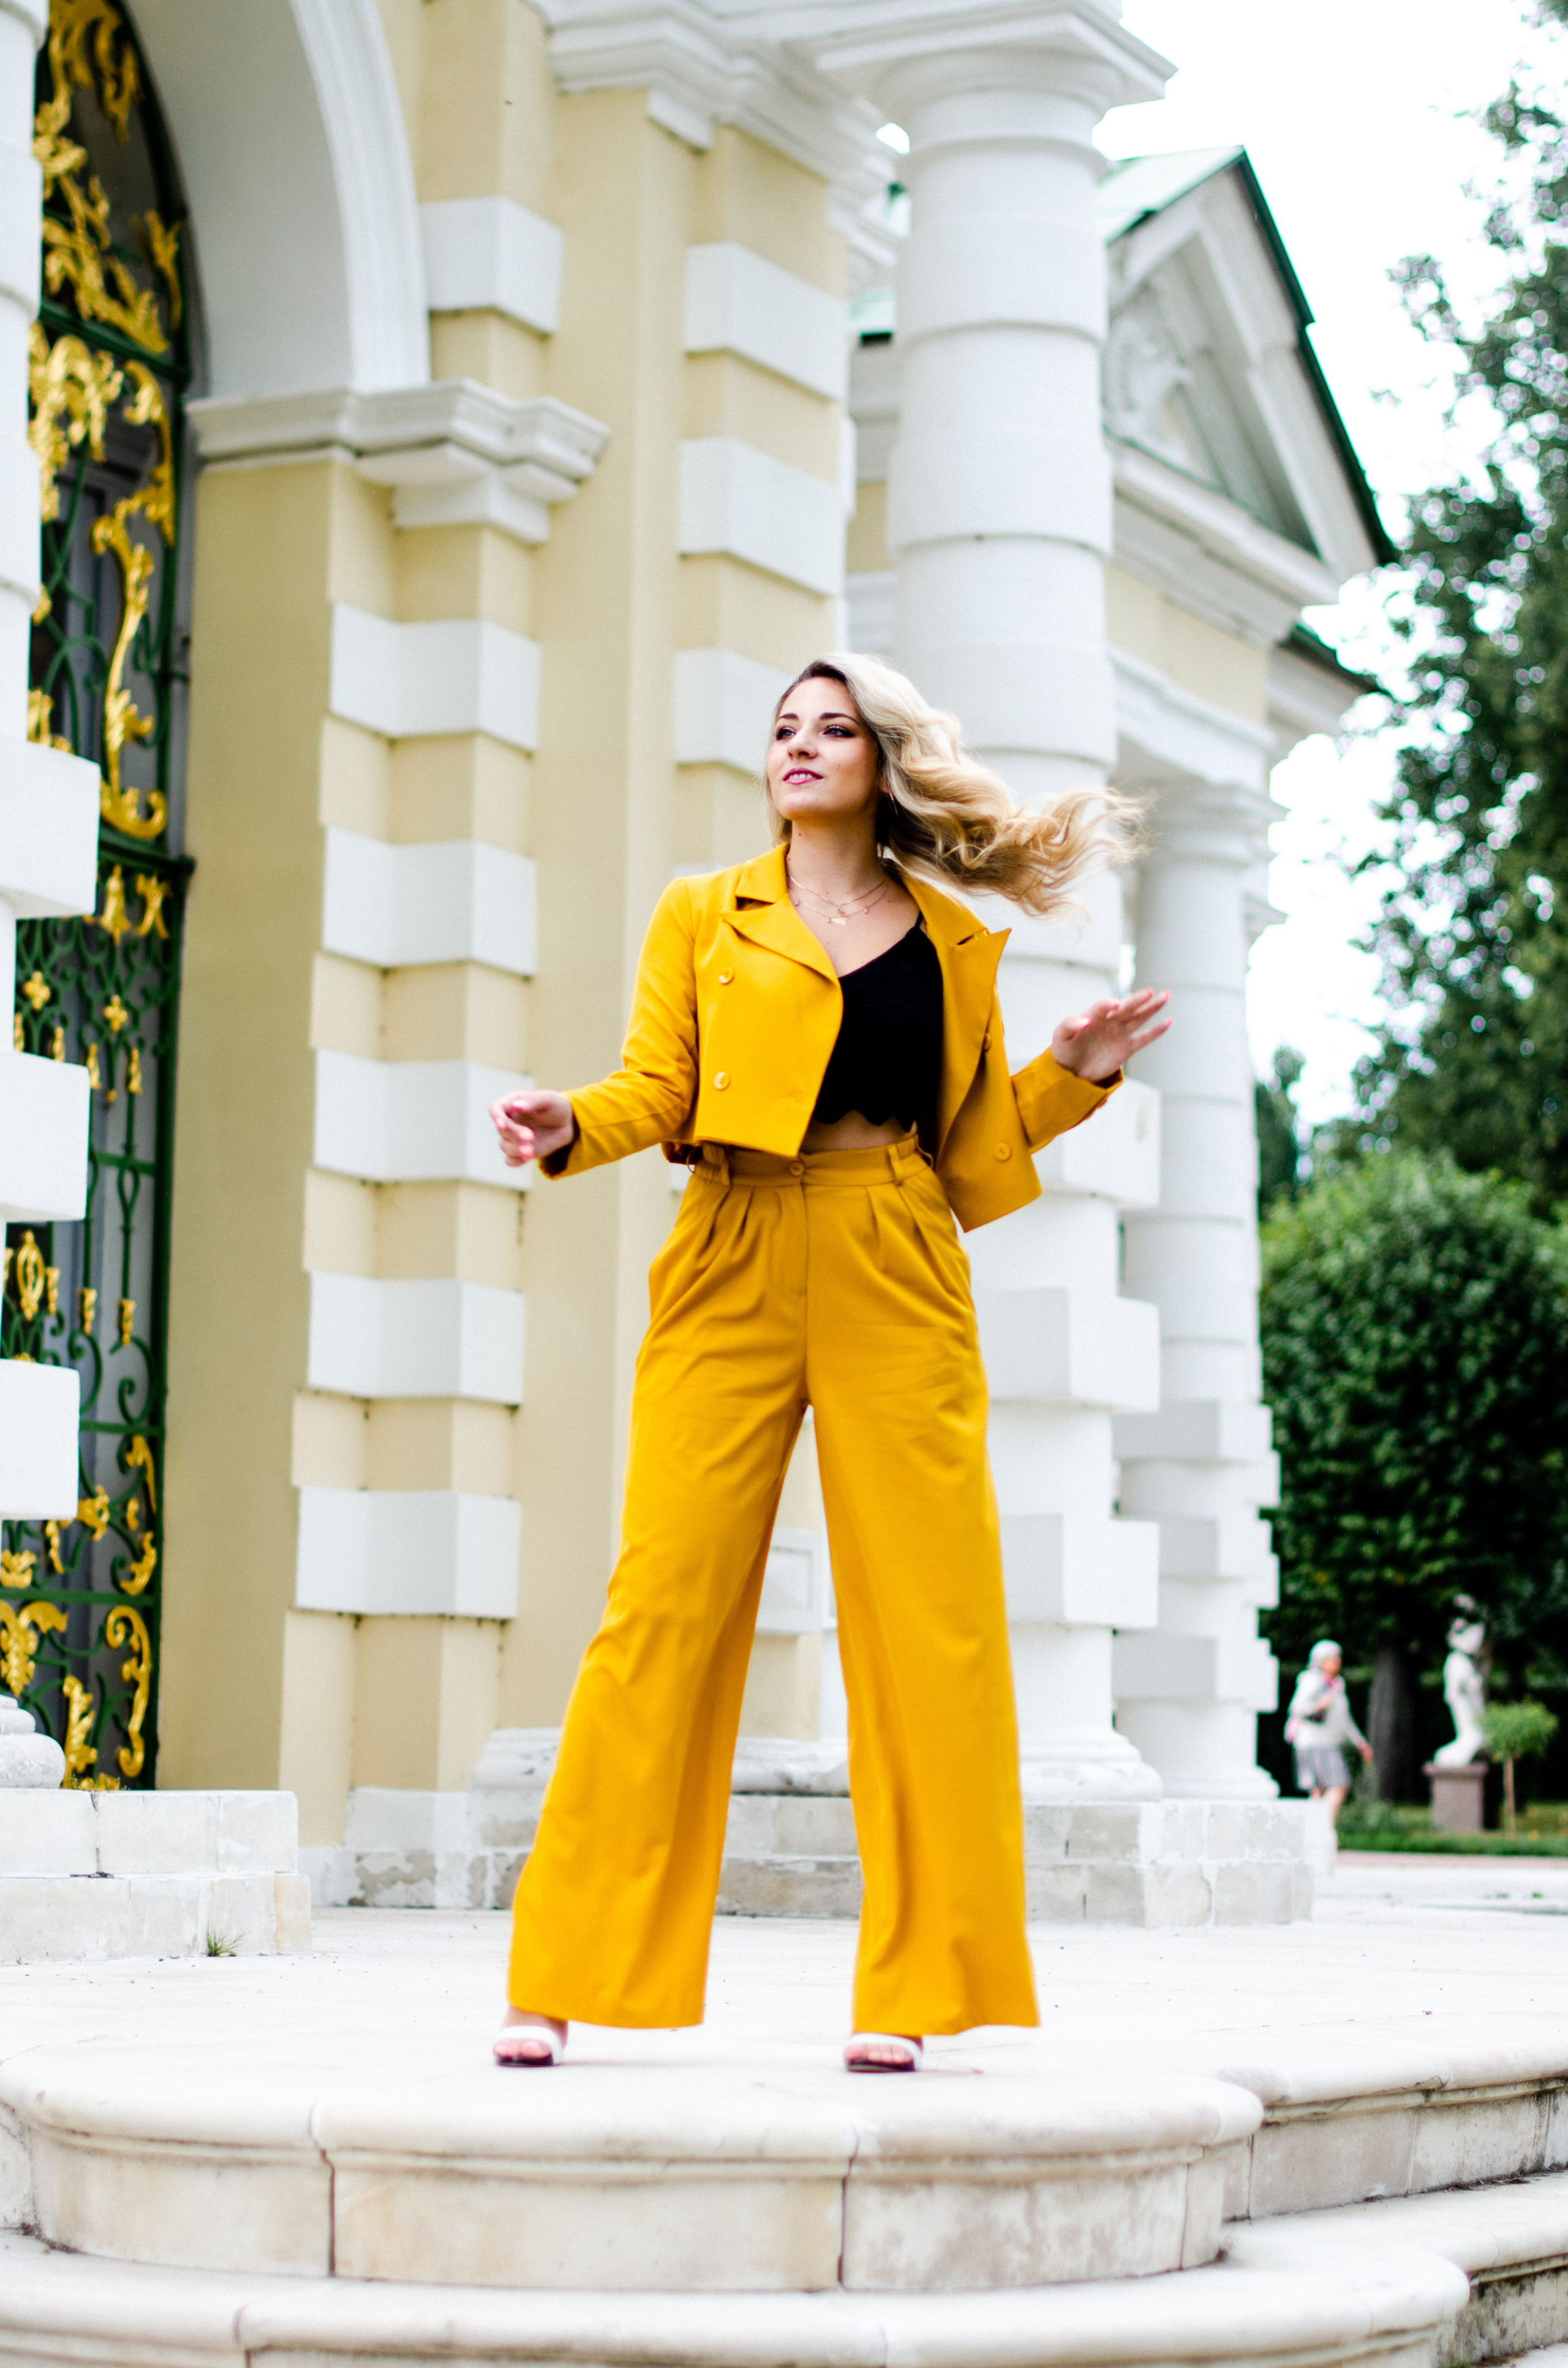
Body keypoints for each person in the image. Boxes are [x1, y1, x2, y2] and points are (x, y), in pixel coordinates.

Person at [486, 653, 1170, 2074]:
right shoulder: (703, 912)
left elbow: (973, 1150)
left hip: (893, 1254)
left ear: (883, 760)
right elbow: (654, 1086)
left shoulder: (951, 940)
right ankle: (558, 1977)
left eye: (831, 727)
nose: (798, 745)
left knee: (929, 1625)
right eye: (783, 728)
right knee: (658, 1608)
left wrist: (1080, 1072)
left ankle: (914, 1989)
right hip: (730, 1250)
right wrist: (568, 1127)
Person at [1284, 1639, 1373, 1825]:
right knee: (1338, 1785)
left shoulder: (1337, 1684)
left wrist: (1359, 1742)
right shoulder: (1312, 1681)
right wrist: (1319, 1706)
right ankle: (1323, 1828)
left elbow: (1344, 1719)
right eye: (1332, 1658)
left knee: (1319, 1790)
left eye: (1338, 1658)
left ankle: (1313, 1830)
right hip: (1316, 1743)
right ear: (1321, 1661)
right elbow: (1297, 1709)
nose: (1337, 1662)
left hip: (1325, 1743)